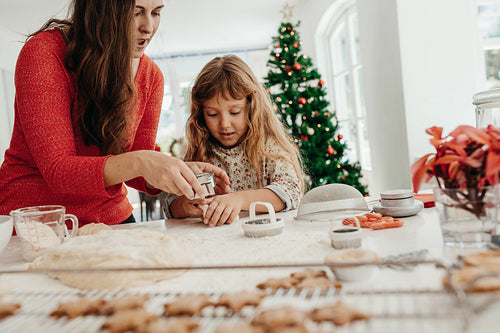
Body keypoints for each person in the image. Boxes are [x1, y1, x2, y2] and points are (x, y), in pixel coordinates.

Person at [0, 0, 230, 226]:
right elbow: (58, 172)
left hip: (109, 215)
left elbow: (134, 166)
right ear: (102, 10)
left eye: (156, 12)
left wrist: (176, 171)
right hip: (37, 221)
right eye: (136, 12)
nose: (148, 27)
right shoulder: (44, 53)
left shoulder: (151, 75)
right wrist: (143, 161)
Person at [164, 54, 305, 227]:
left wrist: (239, 199)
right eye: (212, 114)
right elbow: (170, 206)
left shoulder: (268, 147)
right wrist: (185, 207)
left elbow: (290, 191)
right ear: (201, 114)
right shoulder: (198, 151)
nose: (224, 124)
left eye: (235, 112)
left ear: (252, 107)